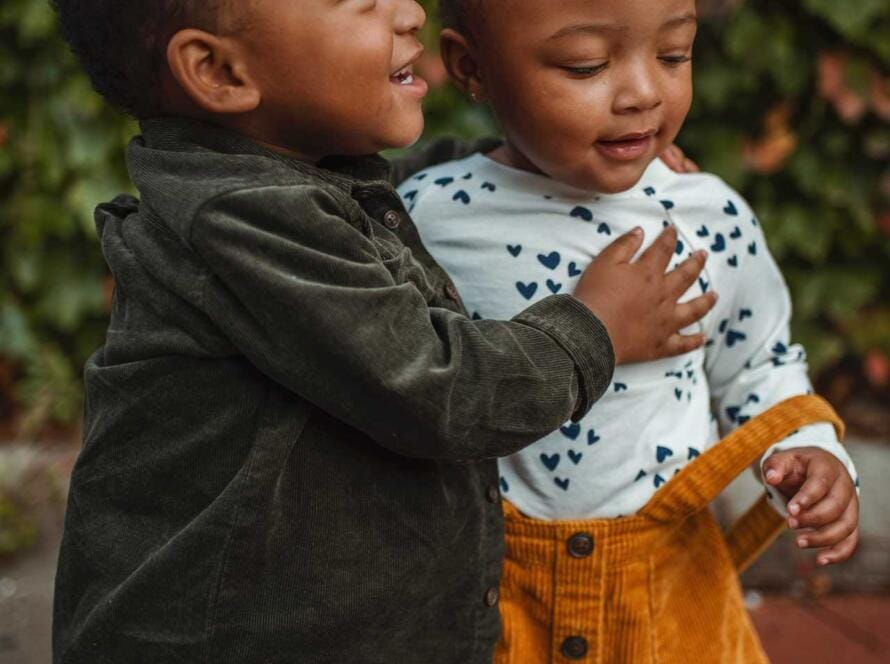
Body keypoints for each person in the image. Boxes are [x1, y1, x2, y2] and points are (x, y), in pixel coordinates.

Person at [49, 0, 717, 661]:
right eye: (361, 1)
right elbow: (440, 388)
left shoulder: (287, 178)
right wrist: (596, 325)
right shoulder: (244, 222)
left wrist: (536, 155)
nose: (409, 13)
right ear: (218, 71)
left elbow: (389, 188)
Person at [400, 0, 861, 661]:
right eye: (586, 66)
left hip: (670, 588)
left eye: (674, 54)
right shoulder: (430, 217)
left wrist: (810, 449)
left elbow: (760, 363)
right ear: (472, 68)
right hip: (482, 592)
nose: (644, 94)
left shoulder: (707, 217)